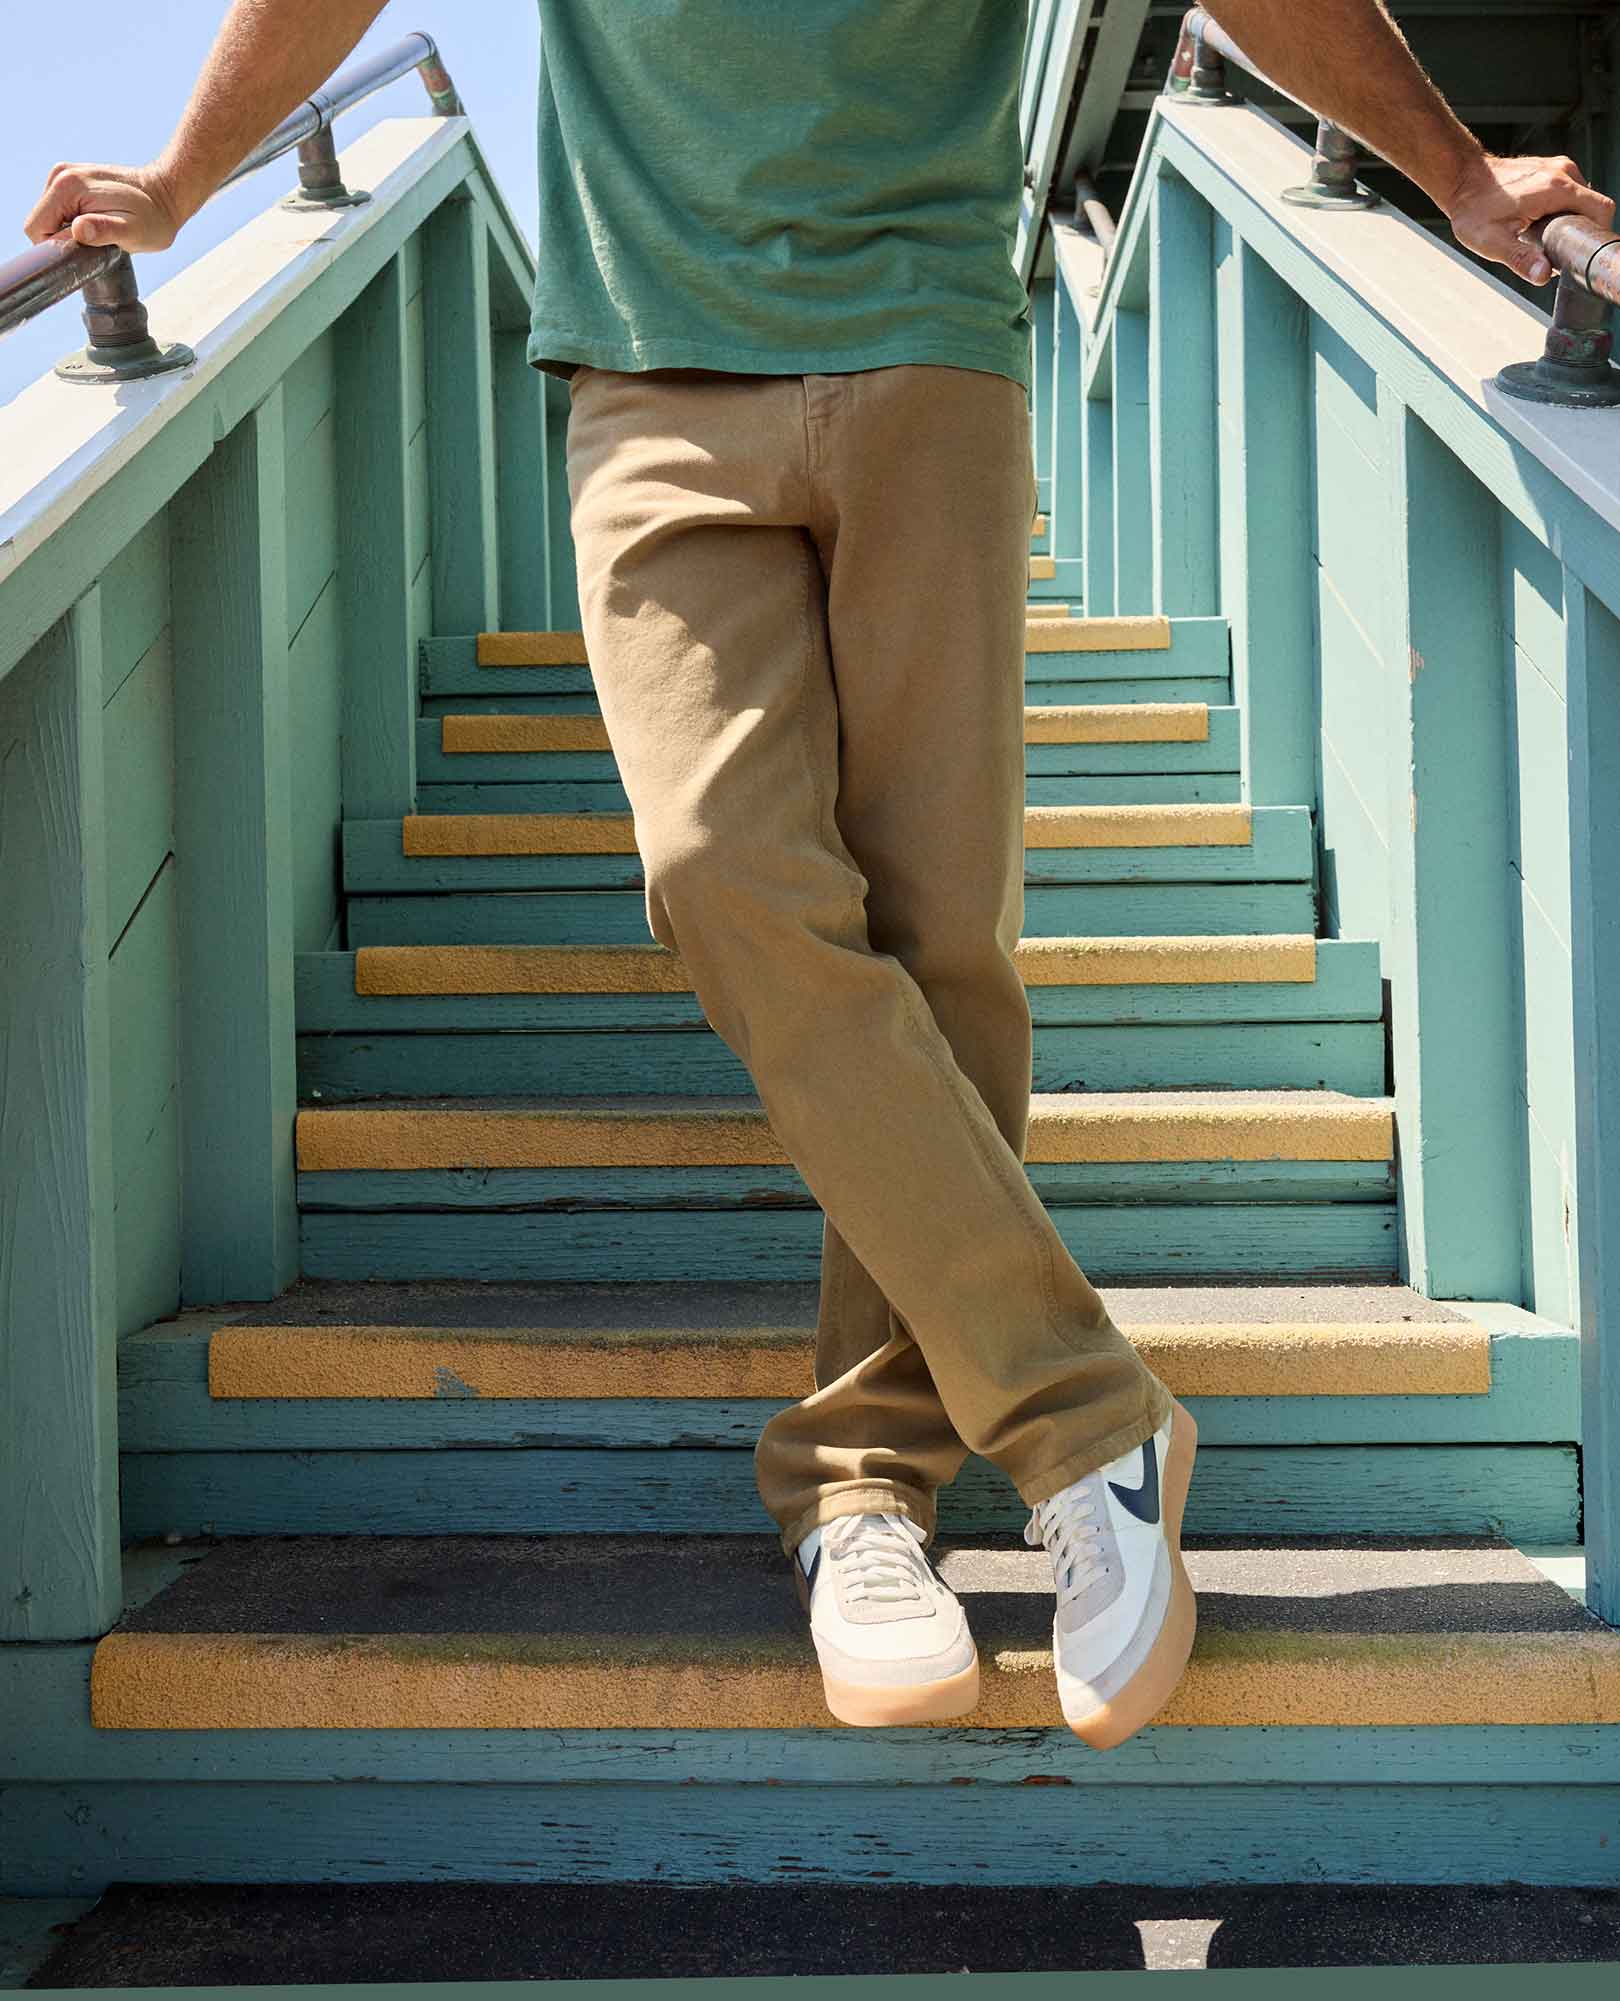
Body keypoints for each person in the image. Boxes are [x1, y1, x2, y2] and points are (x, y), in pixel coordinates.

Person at [28, 0, 1614, 1747]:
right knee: (723, 870)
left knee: (940, 946)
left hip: (927, 351)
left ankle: (863, 1485)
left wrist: (1459, 177)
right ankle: (1089, 1420)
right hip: (652, 370)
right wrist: (184, 178)